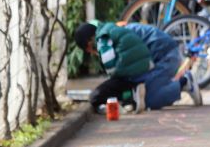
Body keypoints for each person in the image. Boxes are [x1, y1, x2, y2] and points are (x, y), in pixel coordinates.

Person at [74, 20, 202, 114]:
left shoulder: (107, 40)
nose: (92, 53)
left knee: (149, 99)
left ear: (89, 43)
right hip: (163, 55)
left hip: (165, 56)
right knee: (143, 96)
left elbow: (126, 66)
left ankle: (184, 82)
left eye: (89, 50)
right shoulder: (114, 31)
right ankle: (178, 84)